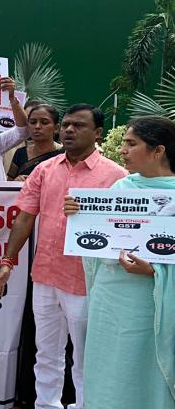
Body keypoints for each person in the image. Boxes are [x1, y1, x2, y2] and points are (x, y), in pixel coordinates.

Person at [0, 104, 127, 409]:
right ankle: (46, 405)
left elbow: (123, 229)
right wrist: (7, 263)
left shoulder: (117, 177)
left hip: (87, 282)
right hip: (45, 277)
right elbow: (25, 218)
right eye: (65, 125)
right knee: (47, 352)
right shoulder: (45, 170)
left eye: (78, 125)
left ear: (98, 133)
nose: (68, 130)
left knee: (85, 356)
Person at [61, 116, 175, 408]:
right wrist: (79, 214)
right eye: (123, 142)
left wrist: (155, 270)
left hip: (153, 305)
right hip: (111, 300)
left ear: (158, 151)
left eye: (131, 143)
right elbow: (98, 240)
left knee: (149, 369)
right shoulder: (121, 188)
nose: (122, 150)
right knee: (112, 366)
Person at [8, 103, 63, 180]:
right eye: (33, 122)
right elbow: (8, 183)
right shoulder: (20, 153)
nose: (37, 126)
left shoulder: (64, 154)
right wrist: (16, 181)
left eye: (44, 122)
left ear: (56, 128)